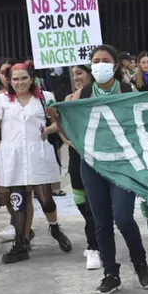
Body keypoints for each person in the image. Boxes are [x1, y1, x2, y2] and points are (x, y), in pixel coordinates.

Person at [57, 45, 148, 294]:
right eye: (95, 60)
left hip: (122, 164)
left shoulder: (127, 90)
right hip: (92, 164)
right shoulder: (82, 94)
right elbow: (71, 134)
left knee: (122, 217)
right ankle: (110, 273)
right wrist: (57, 120)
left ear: (115, 65)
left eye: (105, 60)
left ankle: (139, 261)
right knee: (101, 221)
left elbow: (139, 126)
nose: (99, 64)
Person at [0, 63, 70, 264]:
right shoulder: (1, 100)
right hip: (12, 156)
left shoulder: (45, 98)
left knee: (45, 199)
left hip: (38, 153)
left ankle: (55, 229)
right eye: (15, 79)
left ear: (31, 78)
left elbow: (58, 123)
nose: (20, 83)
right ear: (9, 81)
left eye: (24, 78)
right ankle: (20, 244)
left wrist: (49, 130)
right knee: (17, 200)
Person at [62, 64, 100, 270]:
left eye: (80, 73)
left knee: (94, 203)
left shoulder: (98, 97)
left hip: (96, 156)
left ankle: (94, 245)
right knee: (80, 200)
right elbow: (63, 128)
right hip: (75, 156)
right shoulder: (69, 100)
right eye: (73, 74)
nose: (76, 77)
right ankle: (96, 235)